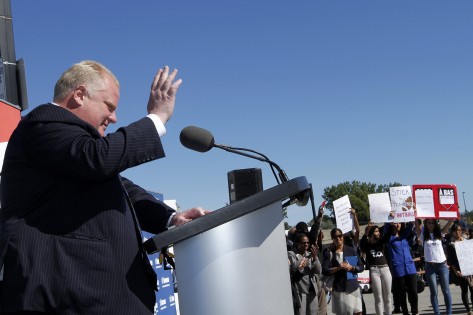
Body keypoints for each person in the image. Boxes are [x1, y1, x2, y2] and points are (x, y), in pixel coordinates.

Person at [0, 61, 208, 315]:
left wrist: (171, 217)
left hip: (100, 299)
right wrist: (157, 118)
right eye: (109, 107)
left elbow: (123, 188)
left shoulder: (77, 155)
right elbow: (97, 159)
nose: (114, 117)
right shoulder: (43, 123)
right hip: (65, 298)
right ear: (79, 95)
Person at [322, 228, 364, 315]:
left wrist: (352, 268)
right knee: (346, 313)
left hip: (354, 286)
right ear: (332, 238)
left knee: (358, 312)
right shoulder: (329, 252)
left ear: (343, 236)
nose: (338, 238)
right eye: (335, 237)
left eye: (339, 236)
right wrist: (338, 267)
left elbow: (361, 266)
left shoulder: (351, 250)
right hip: (340, 288)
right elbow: (325, 270)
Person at [416, 219, 453, 315]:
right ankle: (437, 313)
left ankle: (449, 312)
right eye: (429, 223)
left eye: (433, 223)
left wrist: (453, 215)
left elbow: (449, 223)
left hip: (442, 265)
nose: (431, 225)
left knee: (446, 290)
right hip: (430, 266)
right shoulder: (423, 235)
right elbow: (416, 225)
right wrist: (415, 215)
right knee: (434, 292)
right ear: (425, 224)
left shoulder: (440, 233)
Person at [384, 221, 419, 315]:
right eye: (395, 223)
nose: (398, 224)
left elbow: (411, 224)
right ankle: (405, 312)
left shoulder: (404, 235)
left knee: (413, 292)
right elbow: (386, 228)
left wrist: (413, 213)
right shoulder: (389, 238)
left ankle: (415, 311)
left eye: (399, 223)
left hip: (410, 267)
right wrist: (389, 220)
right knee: (402, 294)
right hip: (398, 269)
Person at [360, 222, 392, 315]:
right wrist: (367, 230)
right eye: (376, 231)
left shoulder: (381, 242)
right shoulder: (367, 244)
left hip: (385, 269)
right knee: (378, 298)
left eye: (378, 231)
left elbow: (387, 236)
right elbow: (362, 244)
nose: (378, 233)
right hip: (374, 270)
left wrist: (390, 221)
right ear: (372, 232)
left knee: (388, 297)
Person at [288, 233, 321, 315]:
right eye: (303, 243)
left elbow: (318, 270)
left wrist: (315, 257)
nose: (306, 244)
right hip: (301, 292)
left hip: (312, 291)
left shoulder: (310, 254)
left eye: (307, 242)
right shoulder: (292, 254)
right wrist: (307, 258)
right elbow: (294, 267)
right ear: (297, 243)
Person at [447, 222, 473, 315]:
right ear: (452, 232)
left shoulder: (466, 241)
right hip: (460, 270)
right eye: (456, 230)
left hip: (469, 269)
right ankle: (468, 310)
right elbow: (451, 261)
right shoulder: (451, 244)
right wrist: (456, 271)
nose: (458, 232)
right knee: (464, 290)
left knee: (472, 288)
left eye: (459, 230)